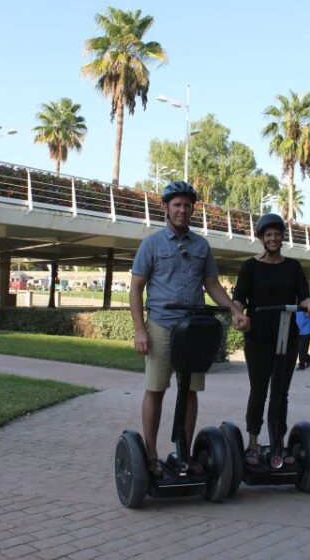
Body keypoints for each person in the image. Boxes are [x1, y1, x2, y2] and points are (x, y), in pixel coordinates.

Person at [129, 181, 249, 477]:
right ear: (167, 209)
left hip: (192, 328)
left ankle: (184, 452)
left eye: (187, 205)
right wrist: (140, 329)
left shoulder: (201, 245)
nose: (182, 210)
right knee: (155, 390)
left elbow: (211, 284)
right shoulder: (152, 244)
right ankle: (152, 455)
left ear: (192, 209)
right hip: (161, 325)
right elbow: (135, 288)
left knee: (191, 391)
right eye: (177, 205)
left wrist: (235, 309)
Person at [232, 213, 310, 466]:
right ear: (261, 238)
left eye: (277, 234)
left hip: (286, 338)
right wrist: (237, 315)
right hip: (258, 338)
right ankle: (253, 443)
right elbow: (238, 299)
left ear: (282, 238)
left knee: (281, 391)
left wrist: (309, 304)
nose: (273, 238)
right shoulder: (250, 266)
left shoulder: (293, 266)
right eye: (268, 234)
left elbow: (304, 296)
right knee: (259, 390)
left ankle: (278, 442)